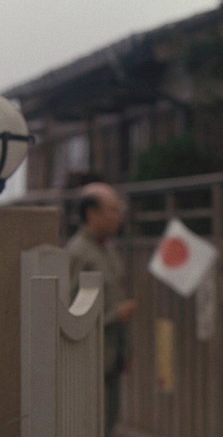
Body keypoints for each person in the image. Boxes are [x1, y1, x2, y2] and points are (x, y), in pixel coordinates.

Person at [66, 182, 138, 437]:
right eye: (113, 210)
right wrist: (115, 315)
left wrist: (126, 350)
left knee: (109, 423)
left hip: (111, 356)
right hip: (89, 360)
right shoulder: (78, 253)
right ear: (92, 213)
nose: (118, 216)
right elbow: (70, 313)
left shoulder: (108, 250)